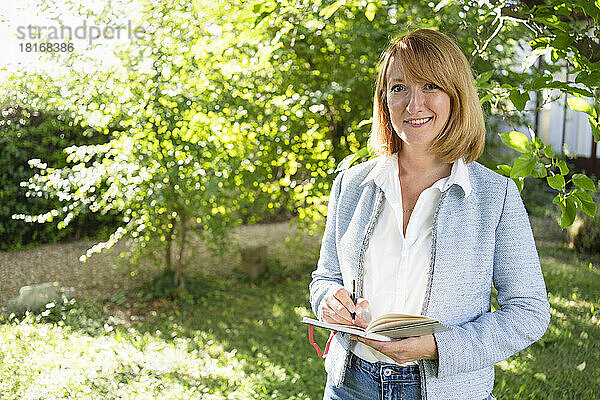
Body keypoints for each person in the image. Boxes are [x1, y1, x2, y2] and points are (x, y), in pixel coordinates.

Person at [309, 28, 550, 400]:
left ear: (455, 97)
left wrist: (439, 347)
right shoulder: (352, 184)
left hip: (449, 391)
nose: (413, 105)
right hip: (350, 387)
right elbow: (325, 277)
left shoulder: (495, 196)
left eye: (431, 87)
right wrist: (327, 299)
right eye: (399, 87)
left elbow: (529, 312)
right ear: (384, 100)